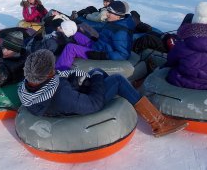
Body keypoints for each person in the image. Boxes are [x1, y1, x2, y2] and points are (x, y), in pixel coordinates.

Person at [18, 49, 187, 137]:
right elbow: (93, 104)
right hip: (84, 103)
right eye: (52, 67)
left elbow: (59, 80)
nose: (55, 69)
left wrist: (76, 79)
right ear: (48, 73)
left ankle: (124, 93)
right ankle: (158, 123)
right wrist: (97, 79)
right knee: (117, 80)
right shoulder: (60, 92)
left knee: (96, 70)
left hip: (71, 97)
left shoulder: (28, 86)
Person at [55, 1, 135, 70]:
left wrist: (102, 56)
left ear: (118, 16)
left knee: (71, 48)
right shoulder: (114, 23)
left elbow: (123, 54)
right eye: (107, 11)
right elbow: (105, 36)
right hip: (97, 45)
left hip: (100, 52)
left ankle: (60, 73)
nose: (107, 14)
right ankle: (54, 47)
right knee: (75, 33)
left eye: (110, 13)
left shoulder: (122, 32)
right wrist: (91, 35)